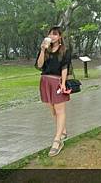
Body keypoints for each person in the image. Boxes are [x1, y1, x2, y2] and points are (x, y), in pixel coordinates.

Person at [35, 26, 72, 157]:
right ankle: (63, 130)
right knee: (53, 111)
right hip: (45, 81)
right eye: (51, 34)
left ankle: (57, 141)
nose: (52, 37)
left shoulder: (65, 50)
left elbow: (64, 68)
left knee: (60, 111)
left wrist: (62, 84)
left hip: (57, 82)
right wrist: (42, 50)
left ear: (60, 37)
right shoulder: (46, 49)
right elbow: (39, 65)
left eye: (55, 34)